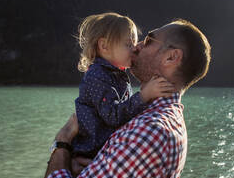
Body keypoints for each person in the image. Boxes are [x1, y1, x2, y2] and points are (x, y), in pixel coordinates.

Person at [33, 18, 211, 178]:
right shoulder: (154, 118)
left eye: (149, 40)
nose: (137, 46)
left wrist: (62, 145)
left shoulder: (150, 133)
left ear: (171, 57)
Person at [70, 12, 176, 159]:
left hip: (102, 150)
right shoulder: (97, 76)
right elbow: (112, 116)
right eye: (128, 44)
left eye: (133, 43)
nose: (134, 49)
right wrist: (144, 96)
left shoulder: (114, 74)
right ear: (104, 46)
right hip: (91, 152)